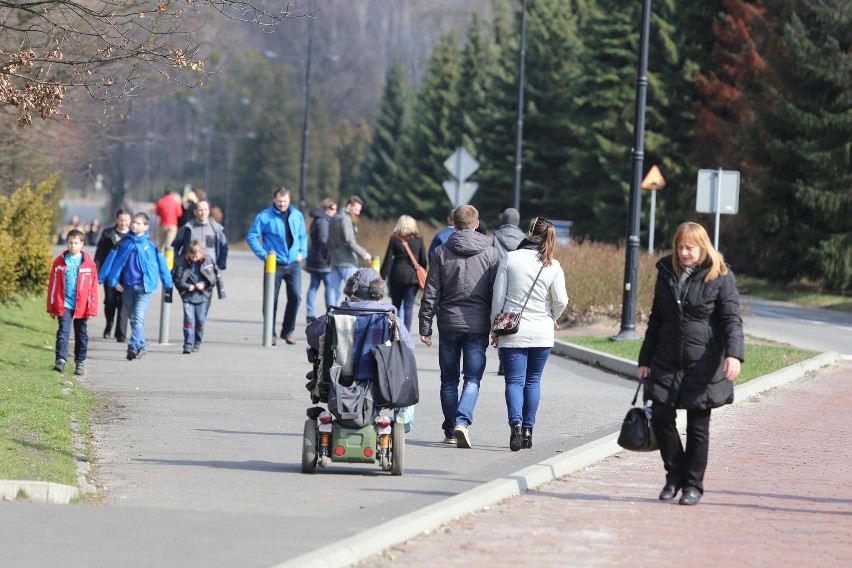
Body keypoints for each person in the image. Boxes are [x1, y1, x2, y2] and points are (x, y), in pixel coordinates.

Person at [638, 221, 744, 506]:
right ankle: (674, 476)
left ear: (702, 246)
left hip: (704, 364)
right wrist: (645, 358)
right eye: (680, 247)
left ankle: (693, 485)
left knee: (698, 428)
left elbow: (731, 320)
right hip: (666, 361)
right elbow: (656, 319)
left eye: (690, 247)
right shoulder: (666, 272)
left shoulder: (720, 275)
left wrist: (734, 354)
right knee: (660, 416)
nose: (684, 252)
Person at [418, 205, 499, 448]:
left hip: (449, 322)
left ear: (453, 223)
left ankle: (450, 429)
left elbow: (431, 292)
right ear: (476, 223)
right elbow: (497, 294)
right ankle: (462, 421)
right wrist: (497, 328)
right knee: (473, 378)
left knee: (449, 380)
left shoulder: (442, 252)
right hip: (478, 323)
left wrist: (425, 327)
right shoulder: (491, 254)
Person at [490, 217, 569, 451]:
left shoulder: (511, 258)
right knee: (533, 381)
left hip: (513, 329)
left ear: (529, 233)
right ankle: (528, 430)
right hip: (543, 330)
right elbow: (562, 300)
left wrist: (495, 327)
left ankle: (514, 426)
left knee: (514, 381)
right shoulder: (553, 265)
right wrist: (553, 317)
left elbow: (498, 297)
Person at [305, 268, 416, 431]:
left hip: (338, 378)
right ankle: (403, 420)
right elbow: (408, 346)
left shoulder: (335, 315)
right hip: (378, 382)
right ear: (378, 290)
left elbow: (312, 334)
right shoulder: (388, 316)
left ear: (351, 288)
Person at [100, 212, 174, 361]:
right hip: (127, 288)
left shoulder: (152, 245)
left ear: (146, 226)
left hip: (144, 288)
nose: (134, 225)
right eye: (133, 223)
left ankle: (133, 346)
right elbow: (113, 262)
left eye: (138, 223)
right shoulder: (123, 243)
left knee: (138, 317)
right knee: (133, 318)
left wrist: (168, 283)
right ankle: (142, 345)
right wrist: (111, 281)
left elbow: (162, 266)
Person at [246, 186, 308, 346]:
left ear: (289, 200)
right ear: (274, 200)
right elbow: (252, 237)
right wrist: (264, 255)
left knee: (295, 296)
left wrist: (302, 252)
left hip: (293, 263)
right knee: (270, 300)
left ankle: (288, 331)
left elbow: (302, 236)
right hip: (274, 264)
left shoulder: (297, 215)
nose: (282, 204)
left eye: (285, 201)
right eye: (279, 201)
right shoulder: (264, 216)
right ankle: (270, 333)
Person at [47, 229, 99, 376]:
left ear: (82, 244)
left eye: (76, 243)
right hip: (64, 304)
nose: (72, 246)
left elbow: (93, 288)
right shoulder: (59, 262)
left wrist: (91, 308)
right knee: (63, 332)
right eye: (70, 242)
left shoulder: (89, 264)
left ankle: (80, 362)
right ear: (66, 243)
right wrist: (51, 307)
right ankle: (61, 360)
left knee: (81, 334)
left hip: (82, 306)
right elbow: (53, 285)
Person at [490, 207, 527, 376]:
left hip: (498, 281)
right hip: (518, 284)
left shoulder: (493, 237)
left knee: (501, 319)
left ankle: (502, 360)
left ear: (503, 220)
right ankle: (511, 361)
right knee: (514, 320)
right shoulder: (525, 240)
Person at [380, 215, 427, 332]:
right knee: (409, 306)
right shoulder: (419, 239)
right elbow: (423, 260)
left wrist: (382, 277)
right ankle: (406, 333)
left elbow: (388, 260)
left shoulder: (394, 238)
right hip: (412, 278)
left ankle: (395, 331)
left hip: (396, 276)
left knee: (395, 305)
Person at [172, 239, 219, 354]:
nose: (194, 259)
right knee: (189, 320)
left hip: (202, 297)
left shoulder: (207, 260)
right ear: (188, 253)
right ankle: (188, 344)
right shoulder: (181, 262)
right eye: (192, 256)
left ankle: (197, 341)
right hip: (188, 296)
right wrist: (187, 286)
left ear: (201, 253)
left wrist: (203, 284)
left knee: (200, 321)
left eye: (196, 256)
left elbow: (213, 278)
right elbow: (177, 279)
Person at [94, 208, 132, 342]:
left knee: (124, 304)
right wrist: (96, 270)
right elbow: (99, 253)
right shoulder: (107, 234)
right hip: (109, 273)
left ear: (130, 221)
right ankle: (109, 324)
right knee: (110, 302)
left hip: (126, 276)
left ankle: (120, 334)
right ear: (116, 220)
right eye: (121, 220)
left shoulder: (132, 237)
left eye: (126, 220)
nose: (123, 223)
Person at [327, 196, 372, 305]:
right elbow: (349, 240)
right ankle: (350, 312)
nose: (358, 213)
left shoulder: (334, 218)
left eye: (359, 210)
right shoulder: (346, 219)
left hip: (334, 259)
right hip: (347, 260)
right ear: (349, 206)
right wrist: (363, 253)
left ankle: (330, 313)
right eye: (356, 209)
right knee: (353, 290)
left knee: (332, 289)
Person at [305, 198, 338, 324]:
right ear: (326, 208)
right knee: (330, 286)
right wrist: (328, 257)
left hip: (313, 257)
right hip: (322, 259)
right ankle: (331, 313)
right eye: (333, 209)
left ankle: (310, 312)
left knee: (313, 286)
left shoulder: (316, 219)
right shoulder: (323, 221)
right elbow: (324, 240)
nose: (335, 211)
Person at [172, 199, 229, 271]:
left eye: (205, 210)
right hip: (190, 271)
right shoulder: (187, 228)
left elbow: (224, 247)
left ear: (209, 211)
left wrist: (220, 266)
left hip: (210, 270)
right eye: (200, 210)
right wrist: (178, 262)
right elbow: (174, 246)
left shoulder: (216, 228)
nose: (203, 213)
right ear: (195, 212)